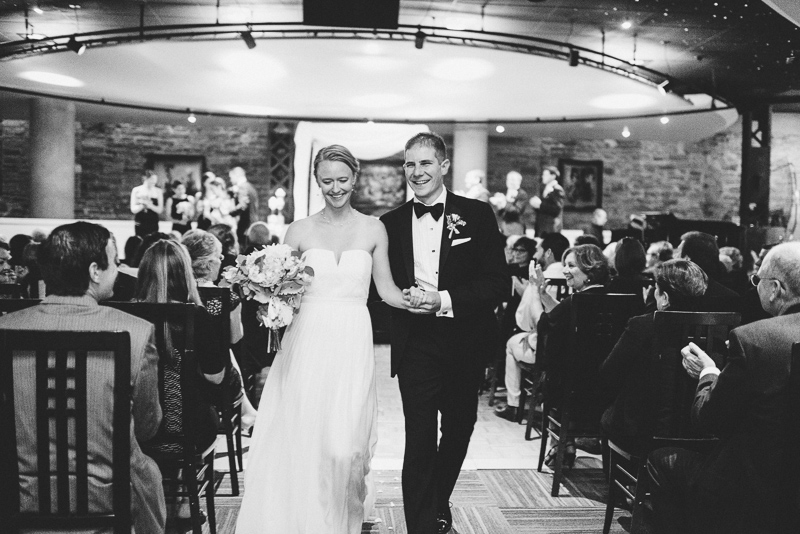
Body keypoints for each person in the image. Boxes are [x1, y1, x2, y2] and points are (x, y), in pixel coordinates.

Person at [235, 145, 425, 533]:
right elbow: (281, 288)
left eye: (342, 180)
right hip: (308, 337)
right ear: (317, 182)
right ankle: (307, 517)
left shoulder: (374, 228)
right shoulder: (300, 229)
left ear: (354, 178)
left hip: (353, 337)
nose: (335, 188)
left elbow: (386, 289)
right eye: (327, 181)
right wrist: (263, 292)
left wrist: (416, 300)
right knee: (307, 431)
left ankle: (342, 512)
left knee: (347, 441)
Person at [380, 132, 509, 534]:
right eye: (409, 164)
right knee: (418, 437)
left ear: (443, 166)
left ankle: (436, 504)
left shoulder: (477, 214)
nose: (416, 172)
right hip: (414, 341)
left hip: (464, 340)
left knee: (459, 427)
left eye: (425, 163)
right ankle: (423, 526)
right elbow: (377, 289)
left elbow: (497, 284)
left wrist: (444, 299)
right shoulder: (390, 223)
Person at [0, 221, 165, 533]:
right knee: (148, 471)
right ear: (94, 271)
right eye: (115, 263)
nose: (118, 269)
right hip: (108, 496)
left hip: (19, 496)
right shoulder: (136, 331)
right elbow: (147, 427)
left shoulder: (5, 329)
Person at [647, 242, 800, 534]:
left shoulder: (753, 340)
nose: (755, 286)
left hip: (751, 483)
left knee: (661, 460)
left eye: (758, 280)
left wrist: (709, 373)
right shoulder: (758, 340)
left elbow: (709, 420)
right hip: (793, 489)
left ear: (775, 289)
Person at [599, 259, 707, 452]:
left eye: (655, 289)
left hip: (641, 430)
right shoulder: (713, 327)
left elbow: (608, 373)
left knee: (609, 414)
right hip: (696, 430)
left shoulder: (642, 326)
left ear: (664, 297)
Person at [533, 244, 611, 468]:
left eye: (570, 266)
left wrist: (541, 294)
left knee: (552, 377)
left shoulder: (574, 303)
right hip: (609, 391)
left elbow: (550, 340)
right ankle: (564, 444)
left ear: (589, 270)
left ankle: (562, 443)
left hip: (573, 394)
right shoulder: (618, 299)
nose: (565, 270)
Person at [181, 229, 258, 430]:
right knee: (226, 350)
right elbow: (235, 338)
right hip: (214, 382)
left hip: (177, 379)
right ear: (207, 264)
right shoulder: (226, 298)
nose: (221, 261)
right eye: (219, 256)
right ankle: (245, 409)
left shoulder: (175, 293)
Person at [229, 166, 259, 247]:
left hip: (245, 224)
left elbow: (242, 206)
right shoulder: (250, 187)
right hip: (252, 222)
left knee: (243, 250)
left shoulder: (242, 187)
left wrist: (230, 213)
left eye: (231, 177)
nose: (230, 180)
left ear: (237, 175)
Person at [531, 166, 565, 236]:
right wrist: (535, 205)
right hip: (541, 226)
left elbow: (557, 209)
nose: (543, 177)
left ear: (553, 176)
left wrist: (540, 205)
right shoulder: (544, 188)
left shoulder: (557, 189)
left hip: (551, 227)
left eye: (546, 175)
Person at [130, 170, 164, 237]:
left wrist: (150, 206)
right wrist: (142, 205)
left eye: (155, 179)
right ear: (145, 178)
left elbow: (160, 210)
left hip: (153, 221)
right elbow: (133, 209)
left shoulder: (158, 191)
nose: (154, 181)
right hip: (140, 221)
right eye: (152, 179)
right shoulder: (136, 190)